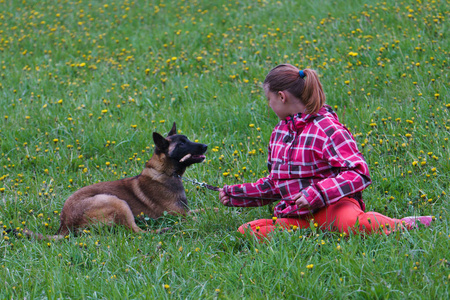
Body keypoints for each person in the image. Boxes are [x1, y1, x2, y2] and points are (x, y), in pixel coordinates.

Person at [219, 64, 432, 239]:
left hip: (333, 207)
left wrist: (318, 193)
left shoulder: (326, 128)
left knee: (353, 224)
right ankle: (311, 235)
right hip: (297, 215)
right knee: (248, 231)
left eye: (269, 99)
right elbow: (277, 184)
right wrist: (238, 194)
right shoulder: (279, 134)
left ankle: (402, 225)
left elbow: (358, 172)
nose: (269, 105)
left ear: (282, 96)